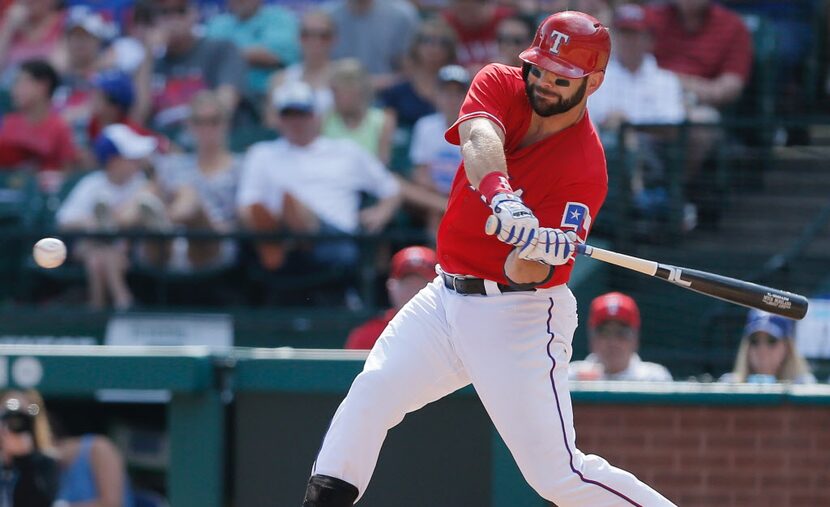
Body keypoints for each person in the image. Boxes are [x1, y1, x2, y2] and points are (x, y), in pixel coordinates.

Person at [301, 11, 675, 507]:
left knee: (557, 475)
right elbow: (479, 140)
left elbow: (529, 275)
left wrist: (540, 247)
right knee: (371, 396)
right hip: (444, 295)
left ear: (594, 82)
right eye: (539, 67)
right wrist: (504, 199)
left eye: (559, 77)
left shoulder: (586, 169)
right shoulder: (500, 80)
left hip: (517, 317)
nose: (542, 82)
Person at [237, 81, 400, 273]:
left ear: (315, 116)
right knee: (269, 212)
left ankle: (285, 236)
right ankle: (281, 238)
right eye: (288, 114)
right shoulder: (261, 153)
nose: (295, 121)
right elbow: (246, 205)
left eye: (302, 113)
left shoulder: (345, 151)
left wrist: (381, 213)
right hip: (278, 231)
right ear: (279, 119)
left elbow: (391, 188)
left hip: (334, 239)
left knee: (291, 203)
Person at [56, 124, 159, 310]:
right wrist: (94, 224)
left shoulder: (141, 185)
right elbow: (64, 221)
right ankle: (123, 301)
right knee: (98, 252)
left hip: (131, 250)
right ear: (113, 161)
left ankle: (97, 308)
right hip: (92, 248)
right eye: (130, 157)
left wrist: (112, 223)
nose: (137, 161)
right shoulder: (91, 184)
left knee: (99, 257)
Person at [153, 90, 241, 271]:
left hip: (216, 243)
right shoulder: (174, 164)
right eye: (199, 122)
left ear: (226, 124)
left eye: (214, 121)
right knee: (148, 192)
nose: (207, 128)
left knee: (190, 199)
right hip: (169, 246)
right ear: (190, 126)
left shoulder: (242, 166)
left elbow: (244, 216)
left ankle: (166, 222)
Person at [136, 0, 247, 135]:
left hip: (208, 140)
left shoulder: (220, 50)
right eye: (165, 13)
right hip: (164, 145)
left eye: (181, 11)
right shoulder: (150, 63)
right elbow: (138, 117)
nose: (174, 19)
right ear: (155, 21)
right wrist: (148, 55)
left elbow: (225, 105)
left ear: (195, 14)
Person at [398, 64, 470, 236]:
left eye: (457, 93)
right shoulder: (425, 126)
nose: (451, 99)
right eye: (446, 92)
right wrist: (439, 193)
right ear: (437, 95)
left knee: (439, 211)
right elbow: (420, 172)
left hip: (466, 193)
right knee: (399, 185)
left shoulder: (476, 126)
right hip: (434, 193)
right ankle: (435, 258)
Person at [0, 59, 77, 188]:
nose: (15, 89)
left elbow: (68, 172)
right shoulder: (8, 122)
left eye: (22, 82)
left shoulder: (59, 127)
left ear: (43, 86)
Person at [345, 246, 437, 350]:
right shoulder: (367, 336)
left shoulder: (450, 333)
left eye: (421, 285)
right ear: (391, 286)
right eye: (406, 284)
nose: (413, 292)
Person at [205, 0, 300, 99]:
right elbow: (206, 57)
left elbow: (273, 56)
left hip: (266, 95)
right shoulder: (218, 24)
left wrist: (226, 55)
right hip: (222, 96)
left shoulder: (279, 18)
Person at [569, 292, 673, 381]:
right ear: (592, 338)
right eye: (604, 333)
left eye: (622, 333)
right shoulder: (571, 377)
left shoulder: (654, 378)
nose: (613, 342)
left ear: (635, 339)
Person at [379, 17, 458, 131]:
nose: (435, 48)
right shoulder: (397, 91)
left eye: (442, 43)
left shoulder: (460, 88)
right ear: (416, 46)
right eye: (427, 40)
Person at [326, 0, 420, 90]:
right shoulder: (327, 18)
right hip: (337, 96)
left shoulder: (402, 16)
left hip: (389, 98)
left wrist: (367, 84)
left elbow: (412, 73)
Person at [323, 59, 396, 165]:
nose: (333, 97)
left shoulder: (383, 121)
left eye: (336, 91)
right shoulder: (324, 119)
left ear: (356, 91)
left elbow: (381, 166)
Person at [720, 309, 816, 384]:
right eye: (754, 341)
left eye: (771, 341)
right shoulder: (730, 386)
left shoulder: (804, 386)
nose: (762, 350)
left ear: (788, 347)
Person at [269, 9, 337, 115]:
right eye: (306, 35)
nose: (314, 41)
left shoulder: (344, 79)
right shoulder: (280, 80)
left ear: (334, 39)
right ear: (298, 38)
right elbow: (271, 125)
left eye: (323, 35)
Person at [0, 395, 60, 507]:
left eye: (21, 417)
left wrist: (25, 460)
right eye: (8, 416)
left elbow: (43, 502)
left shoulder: (45, 463)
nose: (15, 423)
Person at [0, 0, 65, 86]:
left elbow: (59, 69)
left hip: (44, 91)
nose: (29, 2)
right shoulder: (10, 24)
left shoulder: (64, 22)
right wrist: (9, 28)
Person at [441, 0, 515, 72]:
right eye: (463, 10)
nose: (467, 15)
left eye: (472, 10)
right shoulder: (447, 23)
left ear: (486, 6)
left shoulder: (505, 20)